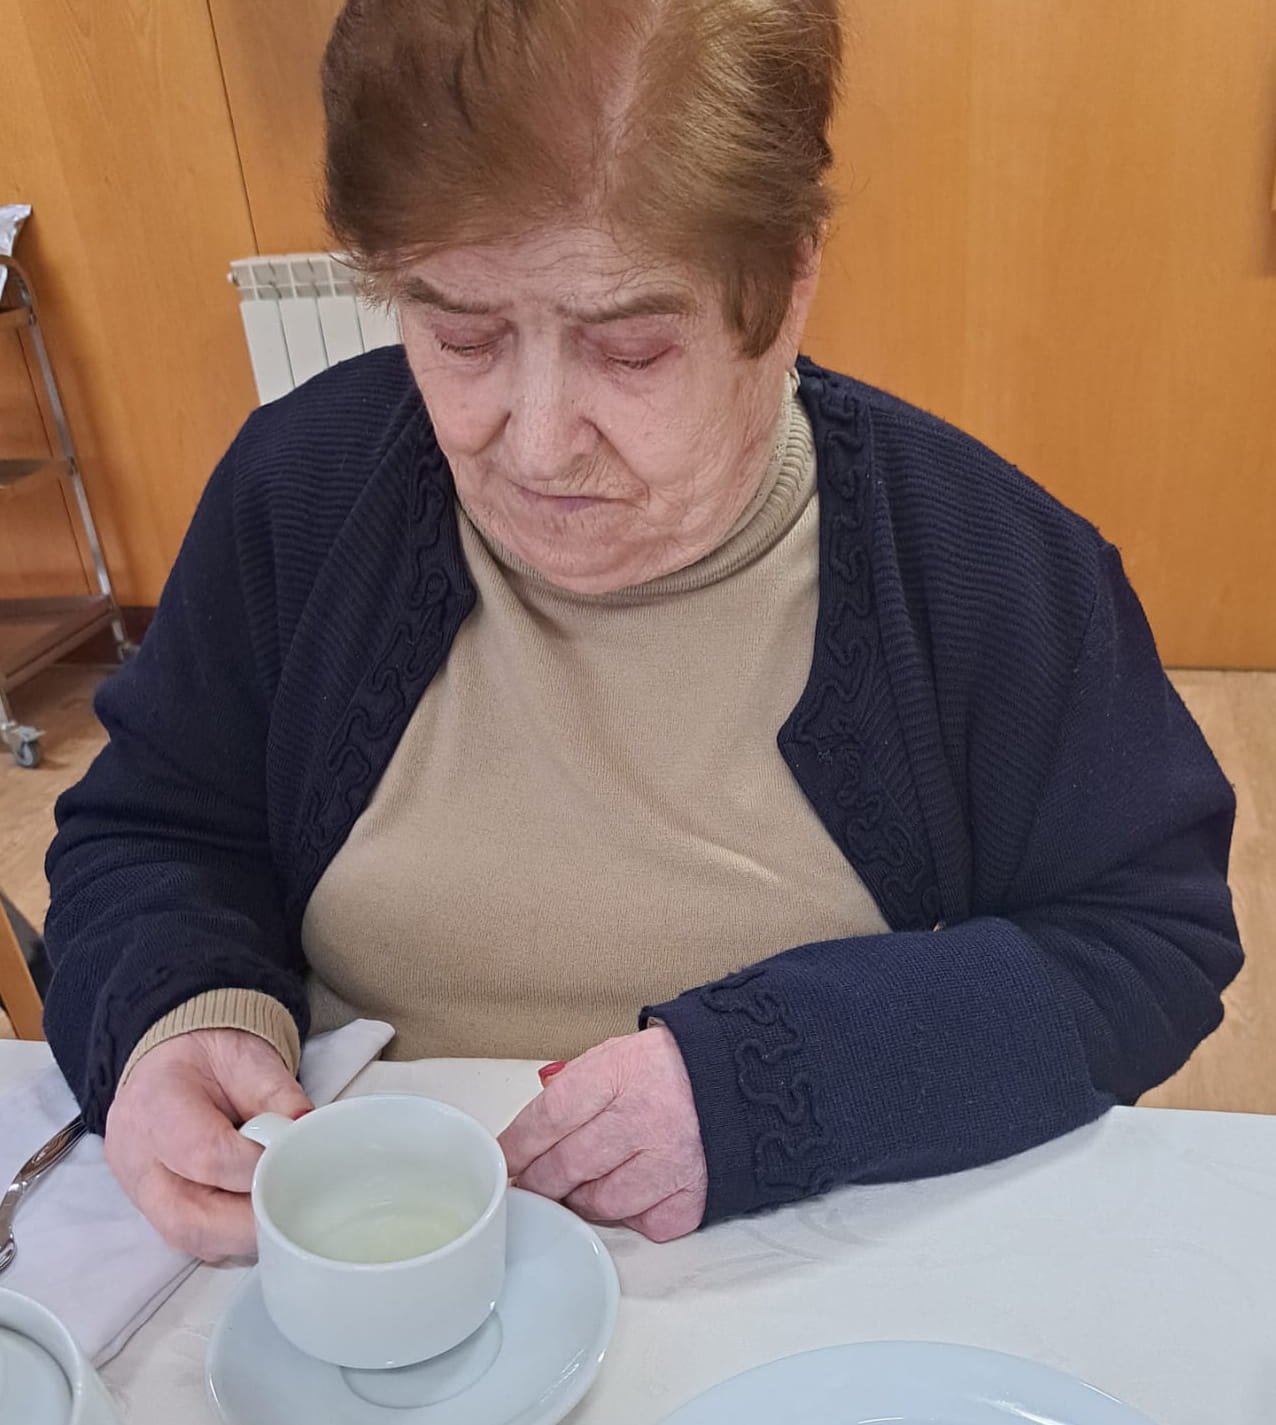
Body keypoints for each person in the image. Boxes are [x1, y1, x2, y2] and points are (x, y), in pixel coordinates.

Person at [42, 0, 1242, 1262]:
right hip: (362, 1254)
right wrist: (180, 1013)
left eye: (628, 351)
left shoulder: (981, 566)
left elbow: (1143, 941)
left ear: (785, 286)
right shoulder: (304, 493)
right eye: (461, 335)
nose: (535, 443)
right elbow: (156, 830)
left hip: (809, 1270)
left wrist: (778, 1080)